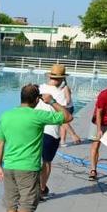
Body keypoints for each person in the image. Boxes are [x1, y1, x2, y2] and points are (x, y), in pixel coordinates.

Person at [0, 84, 72, 212]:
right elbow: (68, 117)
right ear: (37, 100)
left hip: (9, 166)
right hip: (28, 169)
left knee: (11, 204)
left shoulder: (6, 115)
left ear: (20, 97)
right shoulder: (37, 115)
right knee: (28, 206)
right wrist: (52, 101)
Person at [35, 64, 69, 200]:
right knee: (47, 162)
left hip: (35, 129)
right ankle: (42, 189)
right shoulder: (60, 94)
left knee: (34, 160)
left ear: (50, 76)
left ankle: (32, 188)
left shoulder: (37, 89)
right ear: (61, 79)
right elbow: (64, 116)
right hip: (51, 132)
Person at [58, 78, 82, 146]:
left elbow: (68, 100)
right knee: (63, 125)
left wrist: (58, 105)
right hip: (63, 107)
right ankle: (62, 141)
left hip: (67, 108)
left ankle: (70, 137)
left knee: (64, 123)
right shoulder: (58, 88)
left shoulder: (65, 88)